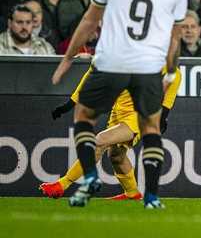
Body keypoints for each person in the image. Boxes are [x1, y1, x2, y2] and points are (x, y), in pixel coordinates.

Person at [50, 0, 188, 209]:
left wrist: (67, 59)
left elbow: (90, 21)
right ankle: (143, 194)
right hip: (144, 75)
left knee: (90, 128)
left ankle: (73, 182)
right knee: (131, 145)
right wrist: (168, 84)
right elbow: (175, 44)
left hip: (116, 66)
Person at [40, 66, 181, 200]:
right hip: (118, 110)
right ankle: (132, 193)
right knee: (116, 156)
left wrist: (162, 118)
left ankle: (62, 185)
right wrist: (70, 104)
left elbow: (171, 87)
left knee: (99, 141)